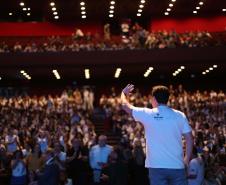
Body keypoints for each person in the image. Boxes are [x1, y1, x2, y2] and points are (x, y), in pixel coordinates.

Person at [120, 84, 193, 185]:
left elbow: (124, 105)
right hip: (177, 166)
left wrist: (123, 93)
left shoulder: (147, 114)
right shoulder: (180, 115)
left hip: (156, 167)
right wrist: (186, 160)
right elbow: (189, 138)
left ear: (154, 98)